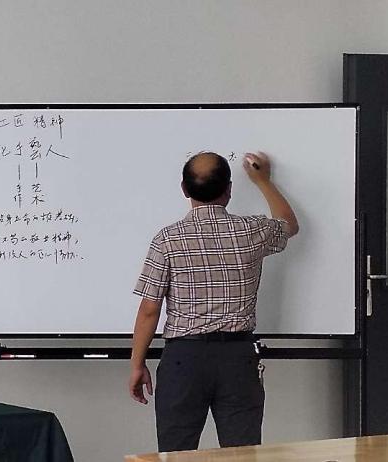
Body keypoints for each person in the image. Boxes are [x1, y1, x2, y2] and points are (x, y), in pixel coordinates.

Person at [128, 151, 299, 452]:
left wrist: (136, 364)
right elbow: (288, 224)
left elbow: (149, 310)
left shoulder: (167, 239)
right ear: (229, 190)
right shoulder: (252, 230)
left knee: (175, 455)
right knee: (242, 455)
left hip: (183, 359)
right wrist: (263, 181)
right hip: (237, 358)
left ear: (184, 189)